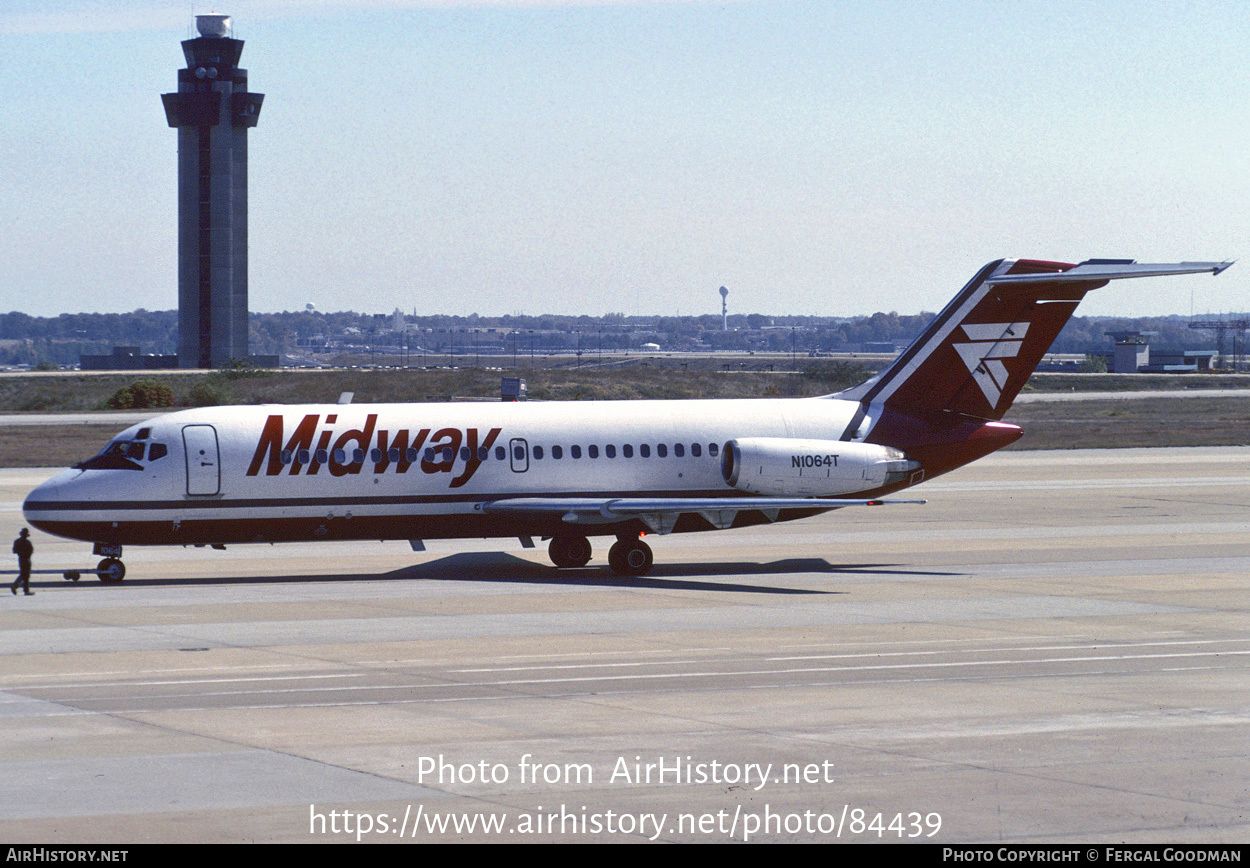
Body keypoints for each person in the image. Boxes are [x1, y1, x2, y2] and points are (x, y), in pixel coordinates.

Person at [11, 528, 33, 596]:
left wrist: (20, 552)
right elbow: (31, 551)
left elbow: (14, 551)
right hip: (26, 559)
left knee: (23, 574)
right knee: (26, 575)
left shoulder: (17, 541)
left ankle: (18, 586)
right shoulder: (27, 542)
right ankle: (18, 586)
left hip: (21, 559)